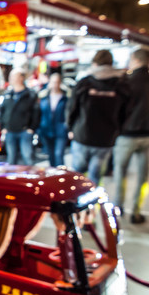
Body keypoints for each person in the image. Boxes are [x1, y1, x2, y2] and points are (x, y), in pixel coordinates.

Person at [66, 49, 128, 185]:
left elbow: (72, 108)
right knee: (95, 177)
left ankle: (76, 204)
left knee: (77, 175)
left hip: (82, 135)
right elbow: (125, 112)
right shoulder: (121, 85)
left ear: (94, 63)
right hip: (106, 139)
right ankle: (91, 204)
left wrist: (70, 127)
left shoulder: (84, 83)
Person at [113, 48, 149, 224]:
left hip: (126, 135)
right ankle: (135, 212)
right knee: (143, 176)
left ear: (134, 59)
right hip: (147, 137)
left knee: (120, 173)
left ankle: (117, 208)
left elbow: (117, 109)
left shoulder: (126, 81)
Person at [0, 68, 40, 165]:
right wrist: (2, 127)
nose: (12, 79)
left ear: (21, 78)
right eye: (11, 76)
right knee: (11, 158)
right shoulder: (8, 94)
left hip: (25, 131)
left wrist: (32, 128)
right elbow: (2, 111)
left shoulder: (30, 94)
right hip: (10, 131)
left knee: (27, 157)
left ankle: (31, 178)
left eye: (14, 76)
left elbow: (36, 112)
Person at [37, 73, 69, 167]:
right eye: (53, 82)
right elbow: (38, 113)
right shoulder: (43, 97)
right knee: (51, 156)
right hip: (46, 130)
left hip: (61, 130)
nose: (55, 85)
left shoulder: (65, 97)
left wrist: (68, 128)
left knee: (59, 154)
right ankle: (54, 177)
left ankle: (62, 176)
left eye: (57, 82)